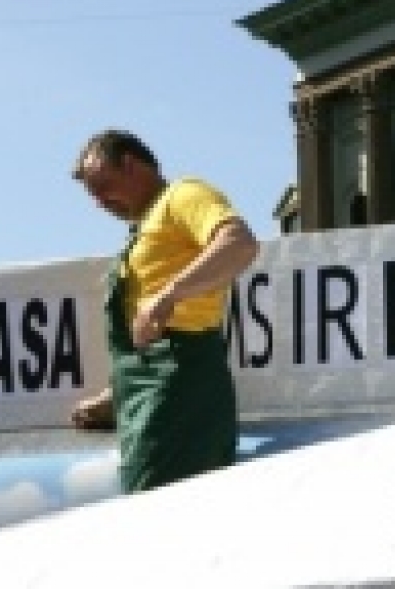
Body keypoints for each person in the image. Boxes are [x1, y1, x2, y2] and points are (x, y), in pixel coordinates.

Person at [70, 129, 259, 493]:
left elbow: (239, 243)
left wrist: (169, 295)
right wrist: (116, 396)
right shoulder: (143, 231)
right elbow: (143, 346)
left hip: (181, 391)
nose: (99, 202)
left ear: (131, 164)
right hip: (154, 397)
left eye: (103, 186)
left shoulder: (183, 194)